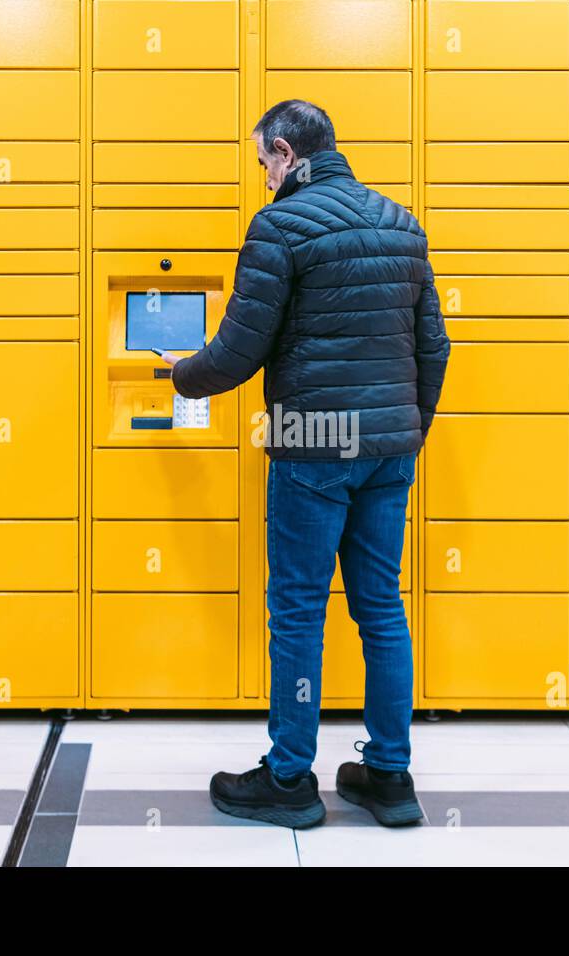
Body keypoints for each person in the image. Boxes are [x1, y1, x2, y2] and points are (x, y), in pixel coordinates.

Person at [167, 99, 451, 828]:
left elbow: (237, 350)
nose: (261, 178)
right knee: (381, 611)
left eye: (263, 161)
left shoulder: (281, 226)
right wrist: (408, 430)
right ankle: (389, 777)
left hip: (312, 445)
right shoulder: (401, 224)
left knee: (297, 612)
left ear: (288, 154)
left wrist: (179, 375)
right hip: (388, 452)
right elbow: (435, 348)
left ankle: (290, 780)